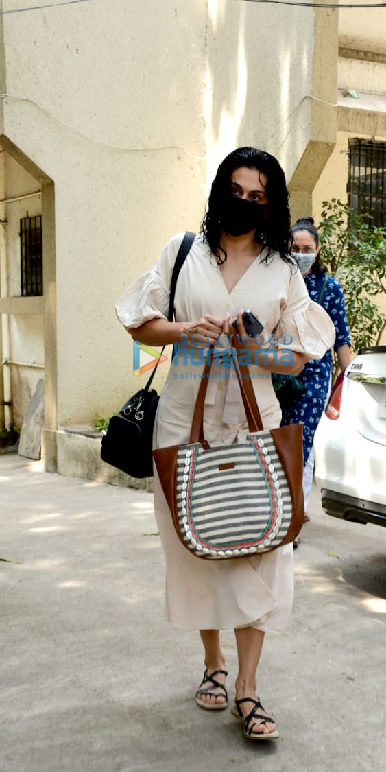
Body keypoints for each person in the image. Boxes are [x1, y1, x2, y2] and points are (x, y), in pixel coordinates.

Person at [115, 148, 335, 741]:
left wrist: (254, 349)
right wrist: (186, 329)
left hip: (254, 425)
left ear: (272, 205)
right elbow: (139, 322)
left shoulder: (283, 270)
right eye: (236, 190)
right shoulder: (182, 252)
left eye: (257, 196)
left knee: (263, 548)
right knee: (198, 547)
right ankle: (213, 663)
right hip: (183, 422)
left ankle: (248, 686)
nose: (245, 202)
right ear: (219, 192)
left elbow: (298, 356)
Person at [278, 217, 352, 541]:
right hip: (278, 373)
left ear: (318, 250)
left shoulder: (328, 288)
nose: (301, 253)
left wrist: (346, 380)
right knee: (279, 441)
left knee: (300, 444)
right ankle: (283, 510)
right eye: (295, 247)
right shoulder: (278, 281)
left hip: (314, 377)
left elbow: (341, 339)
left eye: (307, 248)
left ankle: (291, 523)